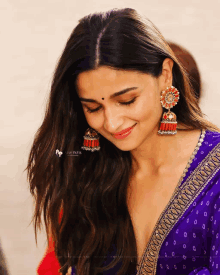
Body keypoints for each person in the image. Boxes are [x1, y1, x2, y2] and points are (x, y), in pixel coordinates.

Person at [26, 8, 220, 275]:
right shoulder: (89, 175)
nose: (112, 123)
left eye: (127, 100)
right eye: (93, 108)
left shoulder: (215, 175)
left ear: (165, 75)